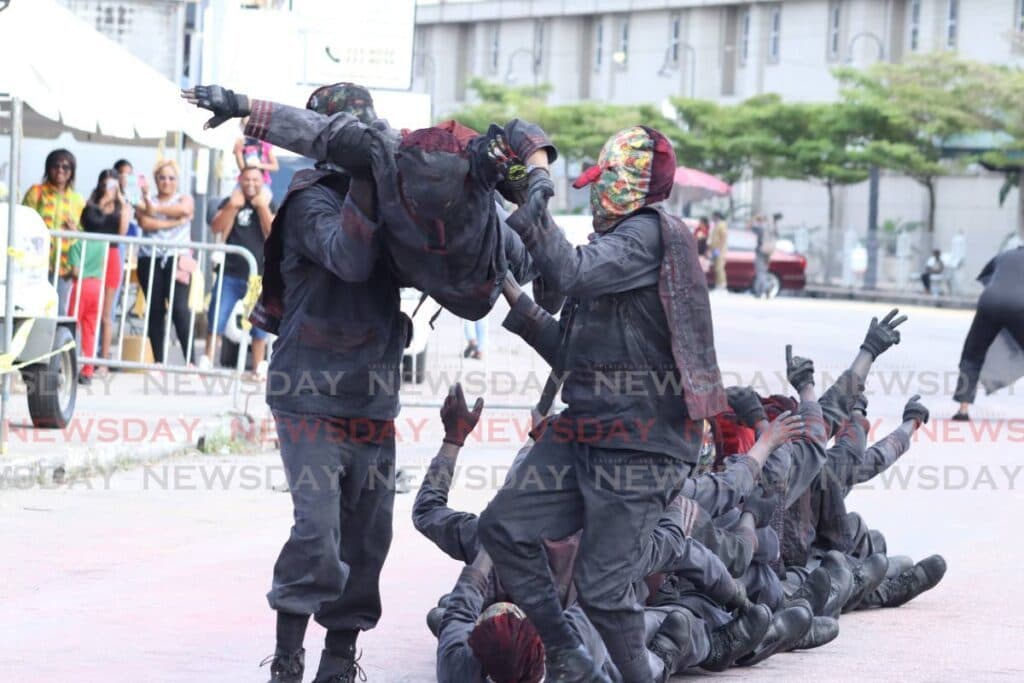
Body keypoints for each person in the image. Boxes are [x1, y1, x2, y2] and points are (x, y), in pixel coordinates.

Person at [477, 125, 727, 683]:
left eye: (603, 181)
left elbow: (569, 271)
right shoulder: (618, 247)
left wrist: (537, 185)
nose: (594, 194)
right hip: (588, 429)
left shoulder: (647, 236)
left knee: (605, 590)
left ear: (633, 185)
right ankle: (567, 651)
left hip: (641, 442)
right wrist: (520, 303)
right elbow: (572, 352)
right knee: (502, 527)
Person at [203, 166, 276, 375]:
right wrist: (233, 207)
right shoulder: (231, 200)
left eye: (255, 179)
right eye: (246, 180)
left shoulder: (268, 202)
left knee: (259, 323)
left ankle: (258, 367)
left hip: (257, 276)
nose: (251, 184)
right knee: (217, 315)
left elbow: (273, 232)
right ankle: (207, 359)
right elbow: (216, 227)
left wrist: (262, 208)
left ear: (262, 181)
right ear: (240, 180)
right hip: (230, 272)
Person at [134, 159, 197, 365]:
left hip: (177, 259)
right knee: (155, 309)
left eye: (171, 178)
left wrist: (156, 210)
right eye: (162, 177)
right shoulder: (146, 199)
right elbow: (145, 222)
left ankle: (190, 361)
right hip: (149, 258)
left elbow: (184, 210)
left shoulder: (184, 198)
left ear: (177, 180)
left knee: (180, 308)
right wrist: (174, 222)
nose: (166, 182)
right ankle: (159, 361)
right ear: (155, 180)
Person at [953, 245, 1024, 421]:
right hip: (1020, 306)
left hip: (989, 302)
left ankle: (963, 409)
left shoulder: (1004, 254)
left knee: (972, 354)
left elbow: (986, 278)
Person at [22, 148, 85, 315]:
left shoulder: (77, 200)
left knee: (58, 310)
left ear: (72, 172)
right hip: (35, 264)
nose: (60, 170)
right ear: (48, 168)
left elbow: (82, 233)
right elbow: (23, 220)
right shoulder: (36, 192)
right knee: (33, 307)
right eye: (56, 165)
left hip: (63, 266)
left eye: (66, 167)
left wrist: (75, 231)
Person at [79, 169, 130, 370]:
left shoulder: (121, 208)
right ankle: (83, 356)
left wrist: (119, 200)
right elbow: (89, 223)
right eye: (106, 185)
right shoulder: (91, 204)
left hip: (111, 256)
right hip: (93, 254)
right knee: (85, 310)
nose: (109, 189)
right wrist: (103, 202)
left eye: (113, 185)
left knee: (105, 314)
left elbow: (123, 232)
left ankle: (103, 359)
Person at [66, 227, 107, 386]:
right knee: (90, 330)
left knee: (70, 327)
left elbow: (75, 271)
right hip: (97, 286)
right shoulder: (103, 243)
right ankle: (88, 370)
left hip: (80, 287)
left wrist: (66, 275)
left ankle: (67, 364)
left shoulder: (76, 244)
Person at [234, 118, 279, 187]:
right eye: (246, 126)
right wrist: (238, 151)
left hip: (263, 182)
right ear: (242, 128)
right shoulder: (240, 144)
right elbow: (242, 168)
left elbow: (275, 167)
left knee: (261, 197)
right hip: (245, 181)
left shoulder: (265, 144)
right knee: (236, 197)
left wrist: (258, 165)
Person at [708, 210, 728, 290]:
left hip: (719, 249)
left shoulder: (721, 224)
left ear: (717, 216)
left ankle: (722, 284)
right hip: (715, 249)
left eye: (713, 216)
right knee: (716, 267)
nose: (712, 218)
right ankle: (718, 284)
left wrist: (719, 248)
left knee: (719, 268)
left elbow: (723, 237)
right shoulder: (717, 225)